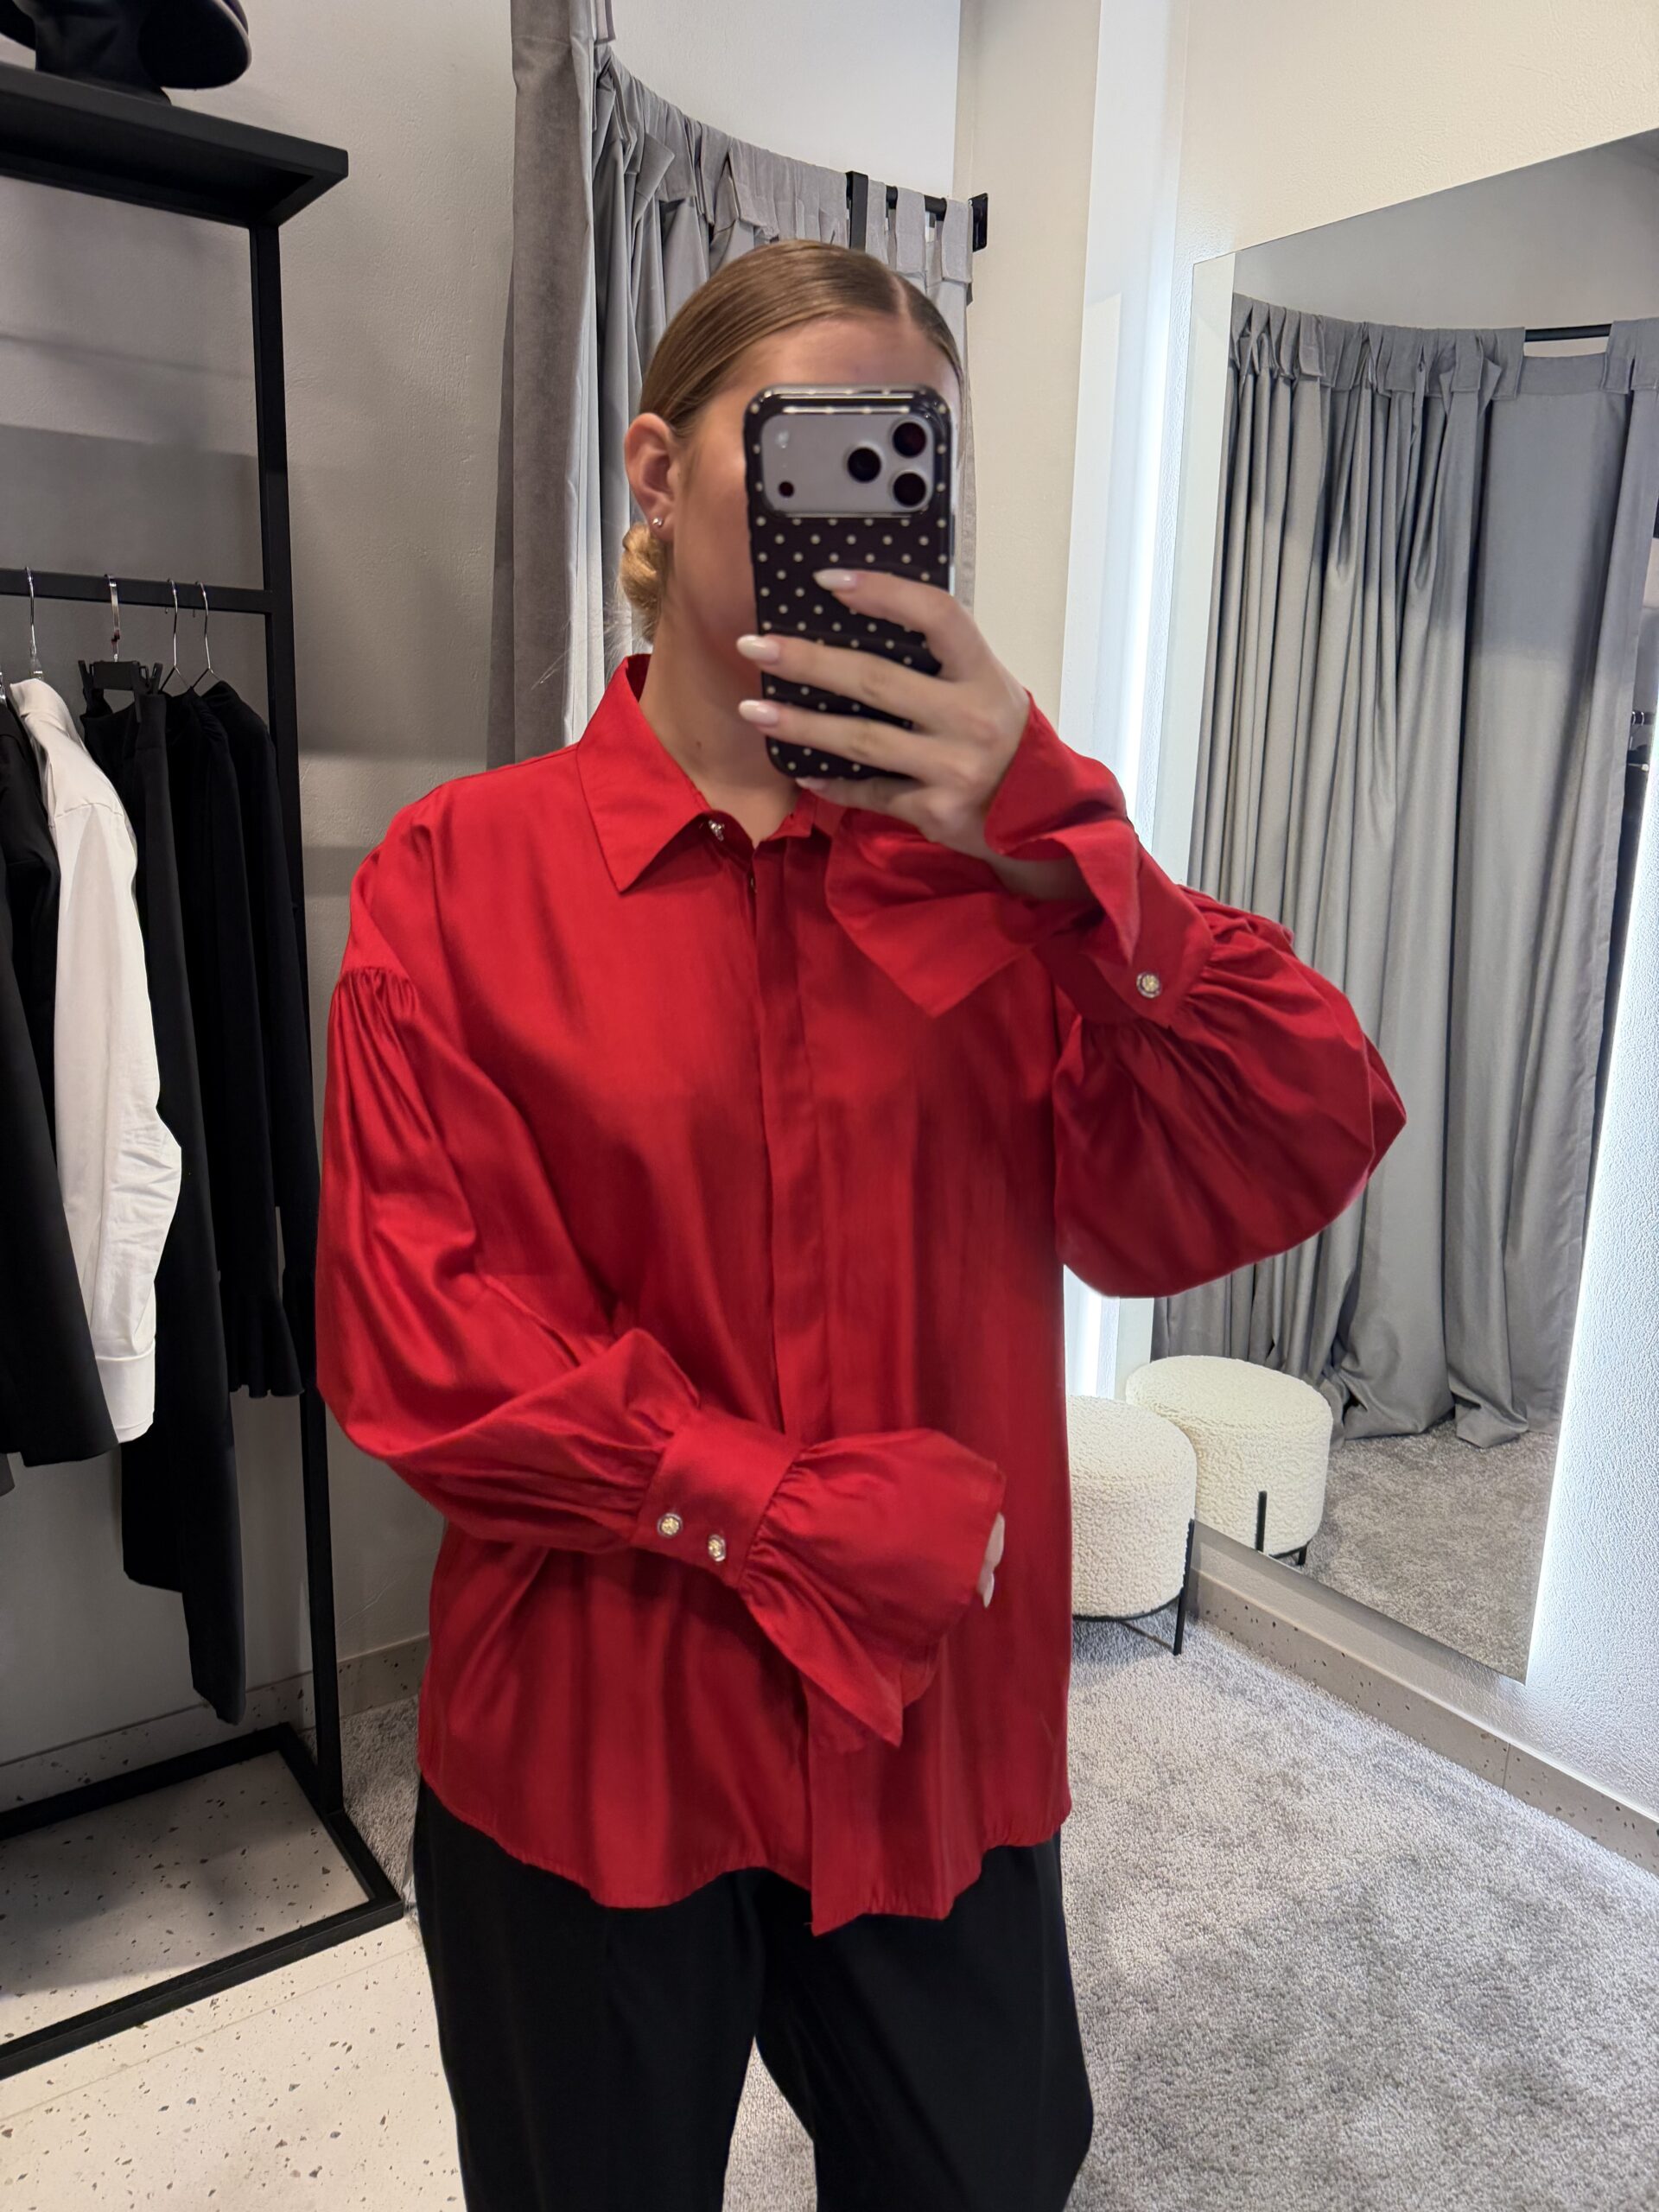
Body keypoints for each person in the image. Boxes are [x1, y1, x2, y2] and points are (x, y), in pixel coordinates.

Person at [315, 238, 1405, 2212]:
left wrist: (1070, 851)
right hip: (598, 1743)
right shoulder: (458, 876)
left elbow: (1301, 1131)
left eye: (912, 460)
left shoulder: (1007, 890)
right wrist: (794, 1515)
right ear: (658, 473)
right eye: (812, 440)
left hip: (931, 1733)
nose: (871, 504)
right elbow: (425, 1344)